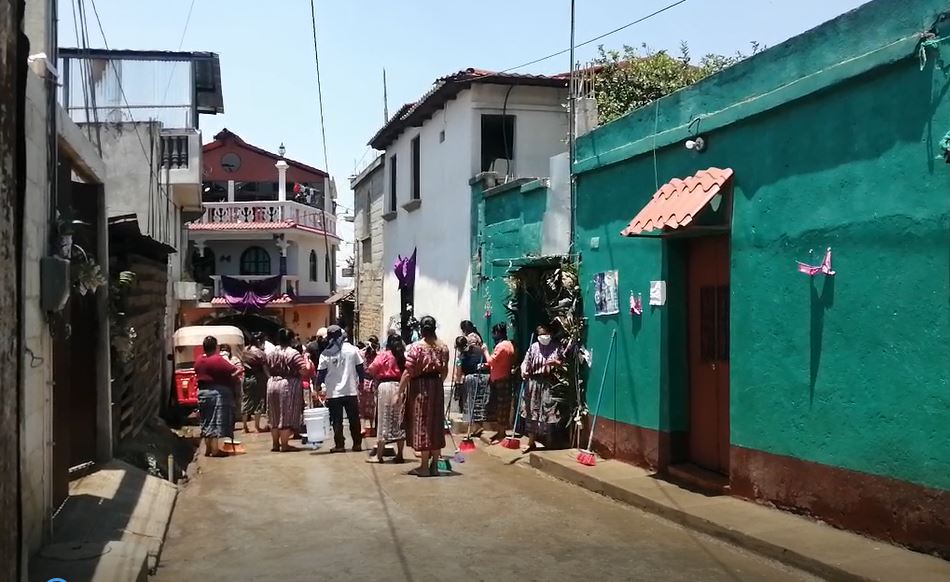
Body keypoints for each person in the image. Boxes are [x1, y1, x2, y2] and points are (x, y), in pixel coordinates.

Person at [401, 315, 449, 477]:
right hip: (436, 387)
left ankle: (423, 467)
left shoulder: (416, 347)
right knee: (436, 424)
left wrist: (399, 391)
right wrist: (437, 383)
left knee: (422, 424)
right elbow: (444, 371)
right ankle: (434, 465)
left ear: (421, 329)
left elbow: (408, 372)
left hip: (420, 388)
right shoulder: (443, 347)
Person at [316, 325, 365, 453]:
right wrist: (361, 383)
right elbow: (360, 368)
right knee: (354, 418)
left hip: (334, 393)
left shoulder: (325, 354)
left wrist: (317, 388)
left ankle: (340, 445)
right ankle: (357, 444)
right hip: (350, 390)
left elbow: (321, 373)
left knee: (336, 420)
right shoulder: (352, 350)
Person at [519, 324, 563, 453]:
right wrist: (523, 371)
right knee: (532, 411)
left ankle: (549, 442)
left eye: (546, 333)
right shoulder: (533, 348)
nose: (544, 336)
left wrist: (556, 364)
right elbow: (525, 362)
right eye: (541, 334)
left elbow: (563, 363)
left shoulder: (557, 347)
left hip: (549, 383)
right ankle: (531, 442)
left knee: (549, 411)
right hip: (534, 383)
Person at [194, 336, 240, 457]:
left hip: (202, 393)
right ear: (215, 347)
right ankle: (215, 450)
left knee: (206, 420)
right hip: (217, 394)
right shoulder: (217, 360)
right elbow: (235, 369)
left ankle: (208, 449)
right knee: (215, 421)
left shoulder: (199, 360)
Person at [265, 328, 310, 452]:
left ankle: (275, 444)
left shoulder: (272, 352)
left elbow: (266, 366)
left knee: (274, 415)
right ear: (290, 339)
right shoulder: (293, 353)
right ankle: (284, 445)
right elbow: (303, 370)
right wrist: (307, 361)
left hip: (272, 383)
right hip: (287, 385)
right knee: (286, 414)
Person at [366, 334, 407, 463]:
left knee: (384, 419)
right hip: (400, 386)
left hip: (385, 387)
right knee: (399, 420)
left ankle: (379, 456)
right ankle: (400, 454)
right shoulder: (402, 356)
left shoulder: (384, 355)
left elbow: (371, 369)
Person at [482, 323, 516, 442]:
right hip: (501, 378)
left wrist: (485, 351)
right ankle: (500, 431)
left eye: (493, 333)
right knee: (500, 406)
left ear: (497, 333)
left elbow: (492, 360)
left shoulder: (501, 346)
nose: (492, 335)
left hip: (500, 380)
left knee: (501, 406)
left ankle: (501, 432)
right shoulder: (509, 345)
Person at [455, 332, 489, 437]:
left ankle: (476, 427)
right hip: (484, 378)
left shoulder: (461, 357)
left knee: (471, 403)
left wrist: (457, 385)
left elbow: (459, 374)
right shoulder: (479, 350)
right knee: (480, 402)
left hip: (471, 379)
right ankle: (477, 427)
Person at [241, 333, 268, 433]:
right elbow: (265, 368)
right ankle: (257, 427)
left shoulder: (244, 351)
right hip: (257, 378)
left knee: (246, 400)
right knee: (258, 402)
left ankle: (244, 427)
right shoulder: (260, 353)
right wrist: (269, 378)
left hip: (246, 377)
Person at [358, 336, 380, 436]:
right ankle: (372, 428)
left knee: (361, 405)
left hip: (363, 381)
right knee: (372, 406)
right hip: (373, 381)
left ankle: (363, 427)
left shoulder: (361, 354)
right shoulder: (378, 355)